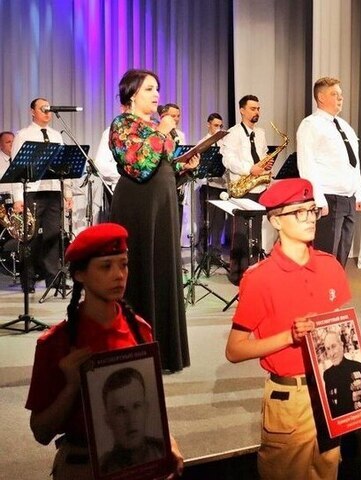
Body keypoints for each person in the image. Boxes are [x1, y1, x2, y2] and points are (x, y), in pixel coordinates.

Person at [25, 223, 183, 480]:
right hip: (82, 464)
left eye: (124, 264)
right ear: (80, 275)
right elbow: (41, 433)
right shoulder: (56, 343)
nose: (119, 275)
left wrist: (168, 442)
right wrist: (72, 386)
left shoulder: (140, 330)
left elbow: (150, 406)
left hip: (138, 467)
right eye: (106, 266)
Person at [225, 178, 351, 480]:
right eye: (299, 212)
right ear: (276, 221)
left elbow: (345, 331)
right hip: (290, 399)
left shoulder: (331, 266)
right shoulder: (259, 278)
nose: (310, 219)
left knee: (328, 470)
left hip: (329, 389)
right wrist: (289, 336)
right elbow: (234, 350)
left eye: (312, 210)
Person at [109, 69, 197, 372]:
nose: (156, 94)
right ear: (133, 94)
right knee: (141, 270)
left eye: (157, 88)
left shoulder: (155, 127)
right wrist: (161, 132)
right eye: (149, 89)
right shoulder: (122, 124)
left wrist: (185, 166)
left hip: (163, 203)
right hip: (138, 204)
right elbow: (138, 166)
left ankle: (165, 352)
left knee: (163, 269)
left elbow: (164, 167)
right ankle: (136, 350)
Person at [297, 77, 361, 267]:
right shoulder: (310, 125)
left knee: (342, 254)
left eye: (340, 94)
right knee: (325, 255)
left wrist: (359, 193)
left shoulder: (345, 127)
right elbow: (307, 163)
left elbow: (354, 163)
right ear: (321, 97)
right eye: (334, 94)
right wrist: (318, 198)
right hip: (329, 198)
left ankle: (336, 285)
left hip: (348, 199)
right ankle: (321, 287)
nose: (340, 98)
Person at [10, 98, 74, 293]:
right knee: (30, 237)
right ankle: (28, 280)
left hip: (53, 190)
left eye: (48, 109)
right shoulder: (23, 135)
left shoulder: (56, 135)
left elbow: (63, 165)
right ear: (32, 112)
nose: (47, 112)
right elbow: (16, 166)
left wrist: (67, 192)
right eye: (42, 109)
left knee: (53, 235)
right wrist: (18, 197)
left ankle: (53, 278)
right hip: (33, 191)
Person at [220, 95, 270, 285]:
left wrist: (265, 166)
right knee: (240, 232)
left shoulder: (261, 133)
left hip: (259, 186)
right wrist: (249, 169)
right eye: (252, 108)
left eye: (258, 108)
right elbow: (228, 160)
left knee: (256, 231)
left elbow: (262, 154)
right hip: (242, 186)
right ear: (242, 110)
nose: (257, 112)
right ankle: (238, 274)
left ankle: (254, 270)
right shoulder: (232, 133)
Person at [100, 367, 165, 474]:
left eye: (136, 406)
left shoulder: (163, 450)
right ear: (108, 420)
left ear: (146, 409)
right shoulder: (103, 469)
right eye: (120, 411)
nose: (130, 420)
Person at [196, 113, 228, 267]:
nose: (219, 129)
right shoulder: (203, 142)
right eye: (216, 125)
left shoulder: (225, 143)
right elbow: (199, 166)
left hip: (222, 186)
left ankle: (216, 254)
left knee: (219, 222)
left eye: (220, 126)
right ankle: (202, 255)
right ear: (208, 125)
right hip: (207, 185)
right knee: (206, 221)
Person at [322, 331, 361, 418]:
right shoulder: (327, 375)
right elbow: (331, 409)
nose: (331, 353)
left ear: (341, 345)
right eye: (328, 349)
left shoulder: (358, 367)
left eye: (333, 346)